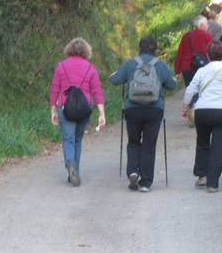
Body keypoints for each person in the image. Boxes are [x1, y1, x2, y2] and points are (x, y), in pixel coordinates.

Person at [109, 37, 177, 192]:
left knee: (133, 141)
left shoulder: (130, 63)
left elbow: (114, 80)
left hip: (132, 108)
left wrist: (117, 74)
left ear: (139, 48)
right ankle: (145, 183)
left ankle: (133, 171)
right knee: (149, 144)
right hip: (155, 109)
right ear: (155, 49)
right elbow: (173, 85)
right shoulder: (160, 65)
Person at [49, 38, 106, 186]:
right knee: (78, 140)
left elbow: (54, 88)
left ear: (69, 50)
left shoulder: (61, 66)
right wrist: (102, 113)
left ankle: (70, 165)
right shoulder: (90, 68)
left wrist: (53, 110)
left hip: (65, 108)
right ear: (86, 51)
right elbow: (97, 91)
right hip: (84, 109)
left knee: (68, 139)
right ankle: (76, 172)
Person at [181, 40, 222, 192]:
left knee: (203, 143)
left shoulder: (201, 71)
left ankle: (202, 175)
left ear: (207, 55)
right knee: (219, 147)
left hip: (203, 110)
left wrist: (185, 106)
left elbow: (191, 89)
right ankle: (213, 183)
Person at [174, 15, 213, 86]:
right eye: (206, 24)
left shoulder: (186, 36)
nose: (207, 26)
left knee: (190, 90)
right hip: (202, 66)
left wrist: (177, 71)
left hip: (186, 67)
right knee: (202, 90)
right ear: (201, 25)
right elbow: (211, 53)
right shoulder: (206, 36)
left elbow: (180, 53)